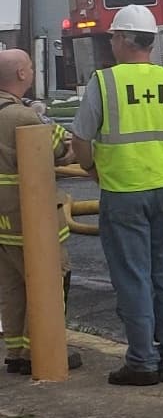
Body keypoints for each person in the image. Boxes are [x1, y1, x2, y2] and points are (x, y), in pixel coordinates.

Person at [70, 4, 163, 386]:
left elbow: (80, 139)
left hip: (123, 192)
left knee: (133, 277)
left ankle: (142, 362)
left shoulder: (104, 83)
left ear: (124, 39)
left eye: (113, 37)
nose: (111, 43)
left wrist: (93, 170)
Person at [0, 49, 81, 374]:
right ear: (22, 74)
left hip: (3, 223)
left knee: (13, 287)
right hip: (30, 220)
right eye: (31, 67)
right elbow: (62, 149)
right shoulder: (22, 117)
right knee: (49, 280)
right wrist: (42, 117)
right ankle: (45, 351)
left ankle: (18, 352)